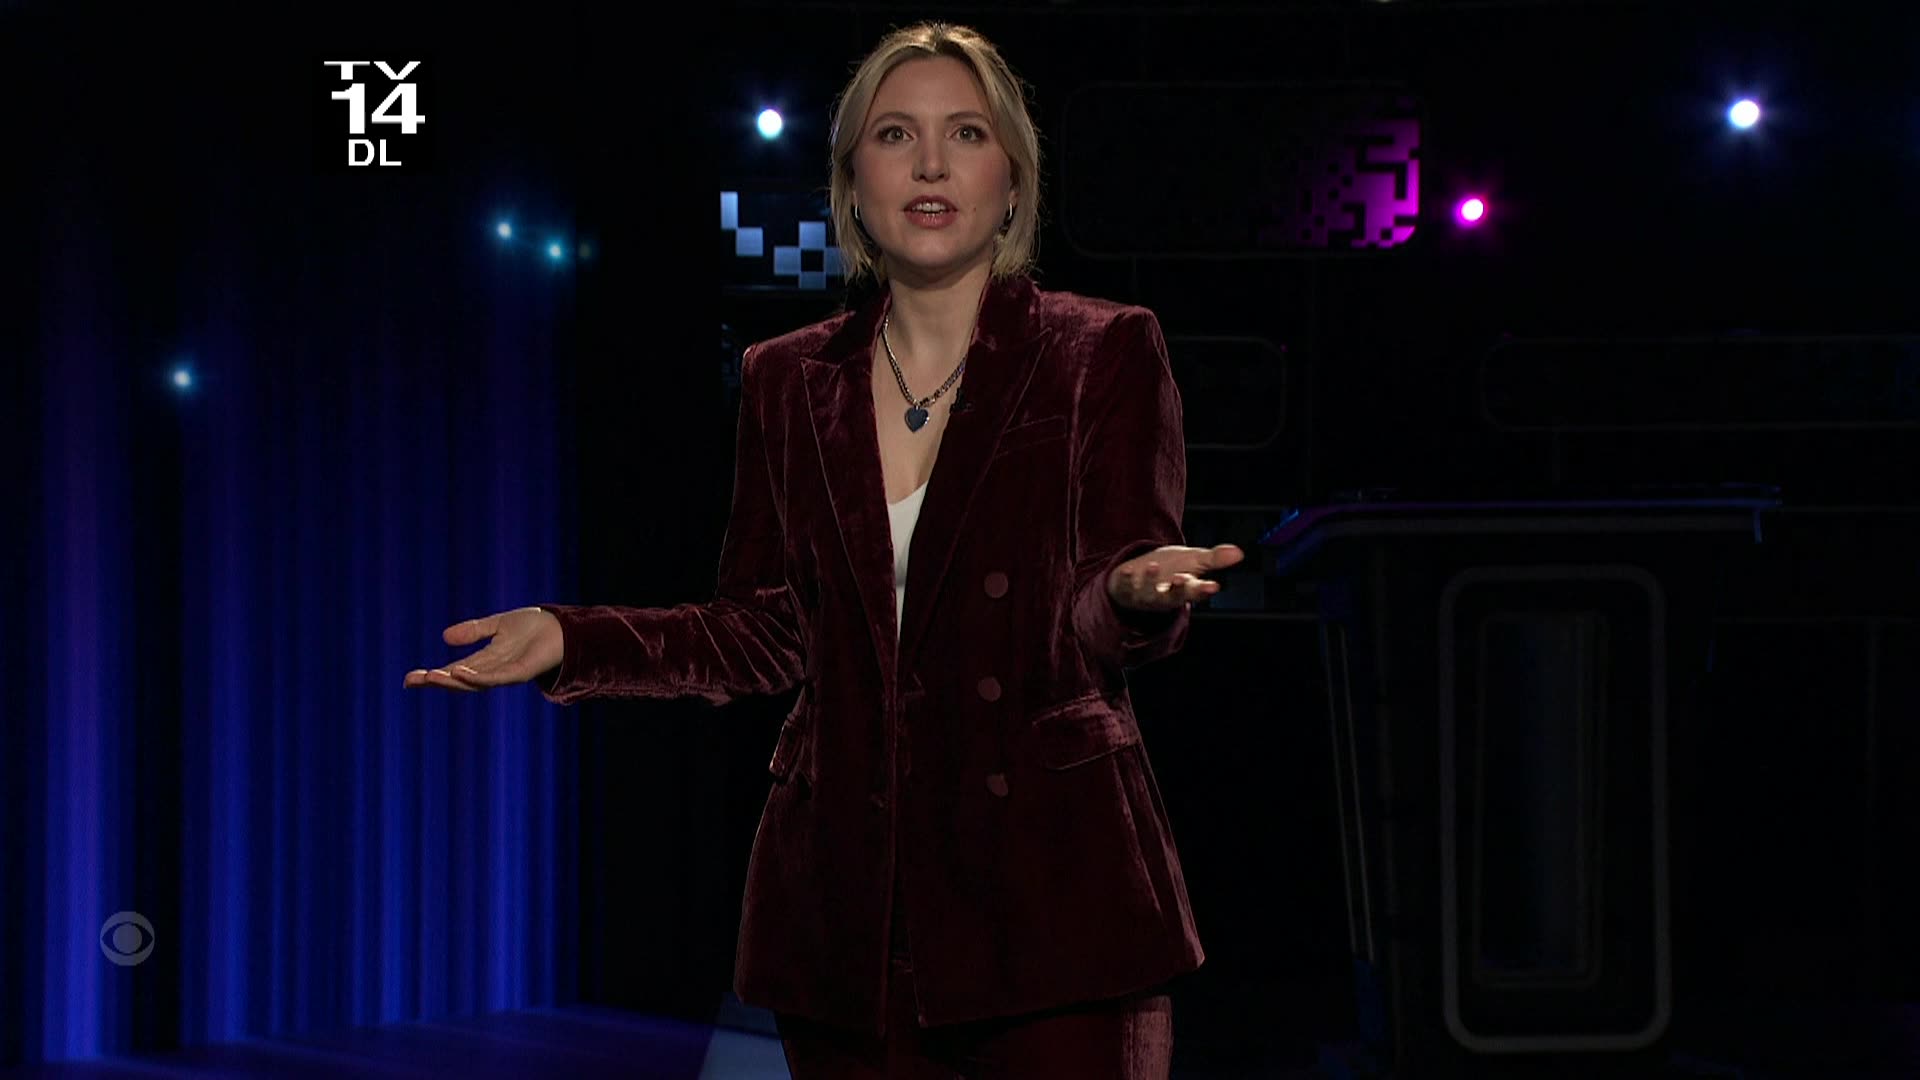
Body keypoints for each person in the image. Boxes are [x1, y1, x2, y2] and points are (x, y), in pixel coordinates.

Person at [405, 20, 1243, 1078]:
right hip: (847, 907)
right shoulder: (785, 378)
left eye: (966, 133)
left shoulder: (1103, 348)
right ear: (853, 184)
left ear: (1013, 182)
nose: (930, 163)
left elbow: (1095, 596)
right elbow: (762, 630)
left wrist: (1128, 590)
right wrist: (573, 640)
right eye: (895, 134)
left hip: (1055, 894)